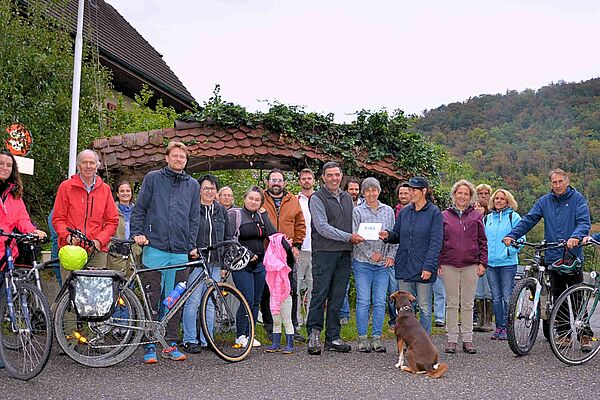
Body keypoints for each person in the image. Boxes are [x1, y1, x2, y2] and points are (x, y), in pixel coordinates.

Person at [504, 168, 591, 350]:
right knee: (557, 295)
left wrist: (575, 237)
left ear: (567, 181)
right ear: (551, 183)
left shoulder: (578, 199)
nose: (558, 185)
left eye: (560, 181)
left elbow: (584, 222)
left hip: (572, 255)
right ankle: (563, 334)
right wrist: (512, 235)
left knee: (576, 297)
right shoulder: (545, 201)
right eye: (554, 182)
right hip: (553, 255)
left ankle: (584, 334)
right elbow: (529, 219)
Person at [131, 141, 200, 364]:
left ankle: (170, 344)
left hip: (180, 252)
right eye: (176, 156)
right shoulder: (153, 178)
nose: (179, 159)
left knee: (174, 300)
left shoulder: (193, 185)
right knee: (154, 298)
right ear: (167, 157)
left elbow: (193, 218)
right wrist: (139, 233)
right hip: (155, 247)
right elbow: (140, 209)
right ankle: (149, 345)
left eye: (183, 157)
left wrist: (191, 244)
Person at [306, 162, 364, 355]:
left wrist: (369, 232)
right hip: (324, 253)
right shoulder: (317, 198)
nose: (334, 178)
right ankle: (314, 335)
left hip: (344, 253)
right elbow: (322, 227)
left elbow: (354, 223)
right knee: (319, 294)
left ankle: (333, 337)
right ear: (323, 177)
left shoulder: (347, 197)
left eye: (337, 175)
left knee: (338, 296)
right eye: (329, 175)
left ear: (341, 176)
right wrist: (349, 237)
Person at [380, 176, 443, 336]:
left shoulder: (434, 213)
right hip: (405, 266)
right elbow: (398, 234)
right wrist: (388, 235)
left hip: (423, 267)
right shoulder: (405, 211)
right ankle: (409, 340)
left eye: (414, 189)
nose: (410, 192)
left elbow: (436, 242)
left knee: (424, 307)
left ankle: (424, 341)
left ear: (424, 191)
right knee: (406, 308)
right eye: (410, 189)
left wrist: (429, 266)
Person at [181, 174, 232, 354]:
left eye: (212, 188)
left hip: (216, 263)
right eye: (205, 188)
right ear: (199, 190)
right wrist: (190, 249)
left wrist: (226, 264)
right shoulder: (192, 209)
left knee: (211, 301)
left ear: (216, 191)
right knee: (193, 301)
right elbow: (186, 233)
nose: (209, 191)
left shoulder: (221, 211)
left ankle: (207, 338)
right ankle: (189, 339)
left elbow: (228, 237)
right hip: (197, 262)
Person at [52, 149, 118, 282]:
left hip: (97, 251)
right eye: (84, 162)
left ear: (97, 166)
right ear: (78, 166)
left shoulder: (105, 189)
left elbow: (112, 221)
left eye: (92, 163)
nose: (88, 166)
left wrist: (100, 240)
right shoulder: (66, 187)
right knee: (71, 291)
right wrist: (68, 236)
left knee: (97, 293)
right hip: (72, 249)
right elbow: (58, 218)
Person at [439, 179, 487, 354]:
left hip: (470, 265)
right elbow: (439, 241)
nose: (462, 196)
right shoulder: (444, 215)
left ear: (470, 196)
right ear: (454, 195)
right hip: (449, 264)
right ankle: (451, 339)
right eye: (460, 193)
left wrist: (483, 262)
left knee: (467, 303)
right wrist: (438, 263)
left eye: (466, 193)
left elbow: (483, 240)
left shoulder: (476, 216)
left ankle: (467, 339)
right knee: (451, 303)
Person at [228, 186, 277, 348]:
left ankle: (250, 333)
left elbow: (272, 234)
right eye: (251, 198)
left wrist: (264, 215)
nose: (253, 202)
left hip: (260, 265)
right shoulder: (235, 215)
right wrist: (247, 254)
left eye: (257, 200)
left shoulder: (261, 216)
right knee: (246, 299)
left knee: (256, 301)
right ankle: (240, 335)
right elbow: (230, 240)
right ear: (244, 198)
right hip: (242, 264)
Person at [261, 169, 306, 344]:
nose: (276, 183)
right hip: (267, 251)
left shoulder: (292, 200)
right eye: (273, 180)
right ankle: (271, 326)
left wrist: (296, 245)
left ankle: (291, 327)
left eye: (279, 180)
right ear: (267, 182)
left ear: (285, 183)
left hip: (286, 252)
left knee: (290, 289)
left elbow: (300, 224)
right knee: (268, 290)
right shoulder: (261, 198)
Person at [352, 177, 396, 353]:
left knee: (379, 301)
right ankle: (362, 338)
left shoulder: (388, 211)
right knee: (363, 301)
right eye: (368, 190)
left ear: (379, 191)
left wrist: (390, 256)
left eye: (374, 190)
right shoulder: (357, 211)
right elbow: (355, 237)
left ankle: (377, 337)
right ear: (363, 192)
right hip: (363, 262)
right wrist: (371, 254)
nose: (371, 193)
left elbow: (394, 236)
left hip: (383, 265)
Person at [484, 189, 524, 340]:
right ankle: (499, 327)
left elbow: (521, 238)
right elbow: (482, 239)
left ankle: (508, 328)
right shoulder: (487, 219)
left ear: (508, 201)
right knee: (495, 297)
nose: (499, 201)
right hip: (490, 263)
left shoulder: (514, 217)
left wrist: (509, 252)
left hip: (507, 263)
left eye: (502, 199)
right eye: (496, 198)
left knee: (507, 297)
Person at [340, 177, 363, 324]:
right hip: (346, 247)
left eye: (356, 189)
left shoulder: (365, 204)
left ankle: (364, 314)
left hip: (362, 249)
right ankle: (344, 314)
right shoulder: (341, 204)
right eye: (351, 189)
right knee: (344, 282)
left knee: (362, 284)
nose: (353, 192)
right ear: (346, 190)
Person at [388, 182, 410, 327]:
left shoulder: (416, 211)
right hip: (392, 254)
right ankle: (393, 320)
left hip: (408, 256)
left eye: (405, 193)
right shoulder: (392, 211)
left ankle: (410, 320)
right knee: (392, 289)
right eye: (400, 193)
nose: (402, 196)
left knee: (407, 290)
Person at [296, 168, 315, 326]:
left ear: (314, 181)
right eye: (304, 178)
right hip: (300, 250)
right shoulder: (295, 200)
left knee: (314, 288)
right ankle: (297, 319)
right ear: (299, 181)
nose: (306, 181)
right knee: (296, 287)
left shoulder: (320, 199)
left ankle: (310, 319)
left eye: (309, 178)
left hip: (318, 250)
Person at [473, 198, 494, 332]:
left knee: (488, 291)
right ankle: (480, 319)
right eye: (474, 206)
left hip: (487, 258)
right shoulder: (471, 220)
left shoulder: (488, 221)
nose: (476, 209)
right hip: (473, 258)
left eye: (479, 206)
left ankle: (488, 321)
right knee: (478, 291)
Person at [107, 181, 136, 271]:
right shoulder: (111, 209)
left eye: (128, 191)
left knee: (130, 282)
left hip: (133, 254)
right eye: (122, 191)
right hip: (115, 254)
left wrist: (137, 250)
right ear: (117, 194)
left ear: (131, 193)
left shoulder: (137, 211)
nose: (125, 193)